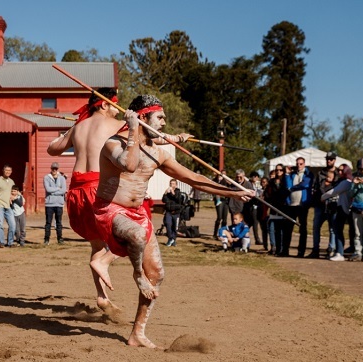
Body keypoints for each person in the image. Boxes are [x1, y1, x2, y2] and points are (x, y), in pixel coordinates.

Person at [93, 95, 253, 348]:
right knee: (135, 236)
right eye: (160, 117)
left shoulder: (158, 153)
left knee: (156, 274)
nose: (165, 123)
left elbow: (193, 178)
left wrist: (233, 192)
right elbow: (130, 164)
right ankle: (136, 274)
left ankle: (137, 334)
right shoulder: (114, 143)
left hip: (138, 215)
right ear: (143, 117)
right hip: (110, 210)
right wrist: (133, 129)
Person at [48, 88, 190, 312]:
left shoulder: (78, 127)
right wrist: (177, 138)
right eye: (115, 106)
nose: (119, 111)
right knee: (133, 231)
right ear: (104, 105)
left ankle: (102, 296)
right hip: (101, 188)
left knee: (97, 244)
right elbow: (149, 135)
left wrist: (72, 131)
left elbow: (51, 149)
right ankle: (107, 265)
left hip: (76, 190)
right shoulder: (115, 126)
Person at [308, 151, 338, 258]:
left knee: (332, 228)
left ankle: (331, 250)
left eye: (330, 159)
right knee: (316, 227)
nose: (328, 161)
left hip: (332, 204)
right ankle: (315, 250)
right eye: (327, 159)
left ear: (334, 160)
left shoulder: (338, 174)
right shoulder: (321, 173)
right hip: (319, 204)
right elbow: (315, 187)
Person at [321, 165, 353, 261]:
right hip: (343, 207)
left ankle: (340, 253)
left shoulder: (346, 182)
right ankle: (339, 252)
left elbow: (334, 191)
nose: (339, 172)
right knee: (337, 230)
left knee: (338, 230)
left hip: (344, 208)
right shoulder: (345, 181)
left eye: (341, 170)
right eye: (338, 170)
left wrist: (322, 197)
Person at [285, 157, 313, 257]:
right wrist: (287, 174)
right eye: (297, 164)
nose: (299, 166)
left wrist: (293, 188)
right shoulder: (292, 175)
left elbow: (304, 185)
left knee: (303, 229)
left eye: (301, 164)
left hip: (302, 205)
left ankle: (301, 251)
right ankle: (285, 250)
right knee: (288, 228)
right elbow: (287, 186)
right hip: (292, 204)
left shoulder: (308, 174)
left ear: (304, 164)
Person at [0, 165, 16, 247]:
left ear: (11, 172)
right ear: (3, 171)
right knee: (0, 224)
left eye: (9, 170)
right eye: (6, 170)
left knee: (13, 224)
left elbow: (15, 192)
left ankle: (10, 242)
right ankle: (1, 242)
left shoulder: (12, 181)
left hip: (8, 206)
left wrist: (14, 196)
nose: (8, 172)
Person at [43, 162, 67, 245]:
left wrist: (54, 191)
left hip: (59, 203)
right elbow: (48, 189)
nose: (54, 170)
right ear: (51, 168)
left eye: (56, 169)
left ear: (58, 169)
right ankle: (46, 239)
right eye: (53, 168)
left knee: (59, 222)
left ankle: (60, 238)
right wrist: (58, 189)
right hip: (49, 203)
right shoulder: (46, 177)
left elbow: (63, 190)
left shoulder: (62, 178)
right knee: (48, 222)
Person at [162, 179, 183, 247]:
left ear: (176, 185)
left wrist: (173, 192)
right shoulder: (167, 193)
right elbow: (163, 200)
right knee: (168, 225)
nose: (172, 185)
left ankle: (173, 240)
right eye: (171, 183)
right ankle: (171, 238)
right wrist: (165, 193)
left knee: (175, 227)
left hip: (176, 212)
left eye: (173, 184)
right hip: (169, 212)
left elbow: (178, 199)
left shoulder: (178, 192)